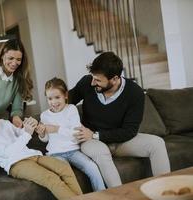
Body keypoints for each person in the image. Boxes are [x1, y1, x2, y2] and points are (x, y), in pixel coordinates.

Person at [69, 52, 171, 188]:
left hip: (120, 141)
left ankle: (166, 192)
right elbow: (65, 103)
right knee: (101, 152)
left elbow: (130, 131)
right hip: (91, 141)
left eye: (98, 80)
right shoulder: (87, 83)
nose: (93, 83)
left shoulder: (135, 93)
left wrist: (95, 134)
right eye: (93, 78)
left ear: (115, 79)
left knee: (157, 143)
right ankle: (120, 196)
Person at [0, 102, 83, 199]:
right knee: (51, 178)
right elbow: (8, 152)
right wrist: (27, 133)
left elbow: (21, 134)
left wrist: (29, 126)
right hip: (16, 164)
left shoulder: (3, 123)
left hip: (31, 155)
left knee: (64, 167)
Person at [36, 77, 105, 191]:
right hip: (55, 154)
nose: (54, 102)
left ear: (65, 95)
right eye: (50, 98)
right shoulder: (45, 116)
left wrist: (57, 129)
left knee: (92, 167)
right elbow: (46, 139)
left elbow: (76, 133)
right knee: (66, 174)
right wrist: (42, 134)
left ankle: (101, 196)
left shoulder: (71, 109)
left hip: (73, 151)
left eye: (57, 97)